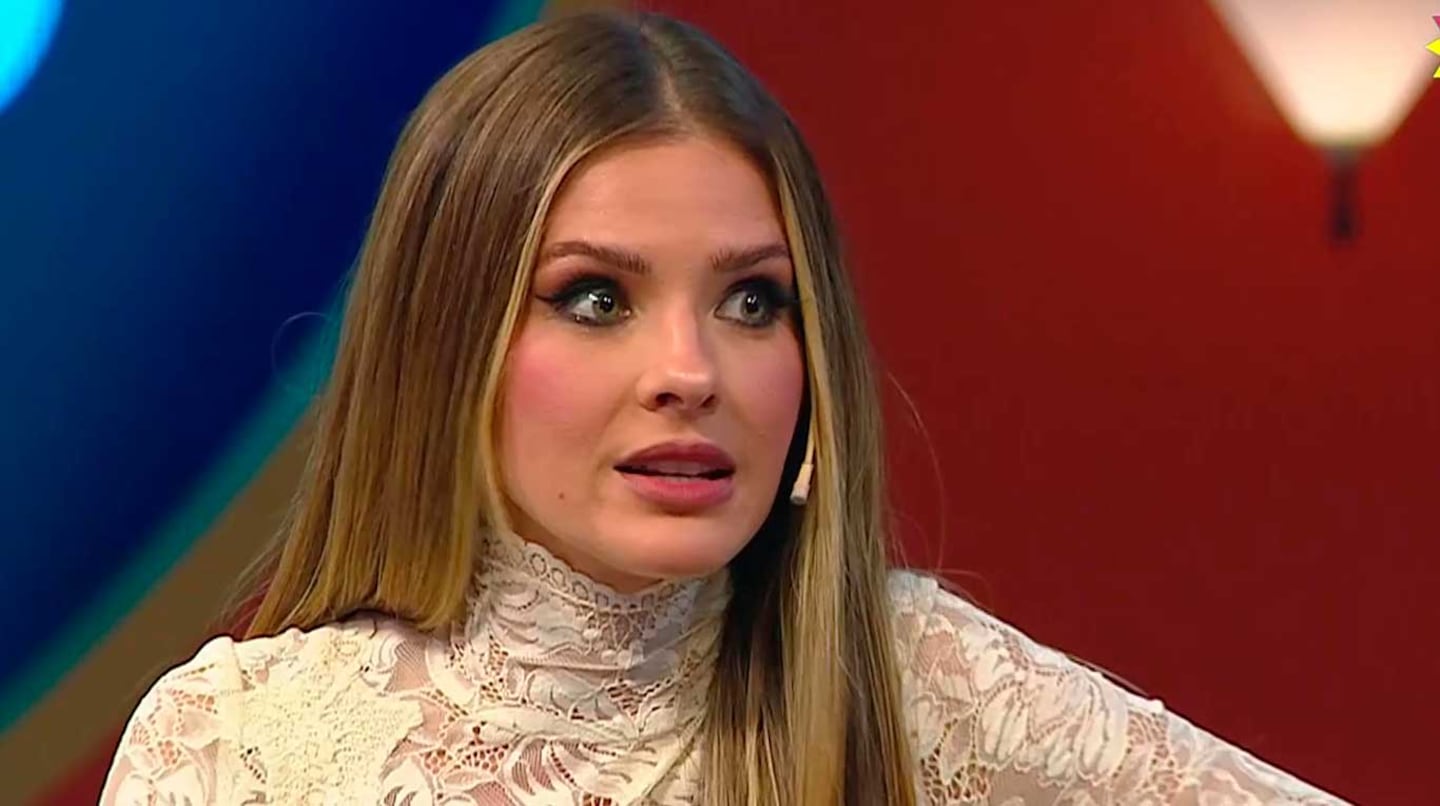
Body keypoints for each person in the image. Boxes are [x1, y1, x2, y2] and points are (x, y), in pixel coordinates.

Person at [100, 11, 1345, 805]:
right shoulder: (235, 745)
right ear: (444, 345)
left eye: (754, 301)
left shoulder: (911, 676)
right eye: (595, 297)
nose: (690, 369)